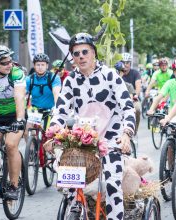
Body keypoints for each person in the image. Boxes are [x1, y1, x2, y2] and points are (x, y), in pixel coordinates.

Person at [46, 32, 136, 219]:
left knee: (111, 185)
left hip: (111, 139)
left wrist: (126, 134)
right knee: (69, 182)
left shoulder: (110, 76)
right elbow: (61, 110)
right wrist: (53, 135)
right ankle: (76, 206)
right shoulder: (70, 80)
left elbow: (128, 107)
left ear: (94, 53)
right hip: (83, 141)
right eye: (76, 53)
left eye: (85, 52)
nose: (80, 56)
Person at [0, 45, 26, 200]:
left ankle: (14, 185)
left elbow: (19, 96)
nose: (10, 64)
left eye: (10, 60)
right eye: (5, 63)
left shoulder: (16, 73)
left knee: (10, 145)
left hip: (15, 115)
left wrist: (20, 120)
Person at [25, 53, 61, 139]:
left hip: (50, 110)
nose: (40, 67)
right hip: (35, 110)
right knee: (27, 131)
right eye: (38, 65)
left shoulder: (54, 78)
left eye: (42, 65)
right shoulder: (29, 79)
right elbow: (22, 95)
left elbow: (56, 94)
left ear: (47, 66)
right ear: (34, 66)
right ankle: (31, 151)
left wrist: (57, 108)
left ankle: (47, 150)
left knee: (49, 134)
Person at [121, 52, 141, 134]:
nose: (125, 65)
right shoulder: (116, 73)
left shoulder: (135, 73)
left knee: (137, 109)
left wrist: (135, 95)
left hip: (132, 98)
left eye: (127, 63)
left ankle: (134, 130)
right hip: (119, 99)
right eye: (123, 62)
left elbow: (138, 86)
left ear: (130, 63)